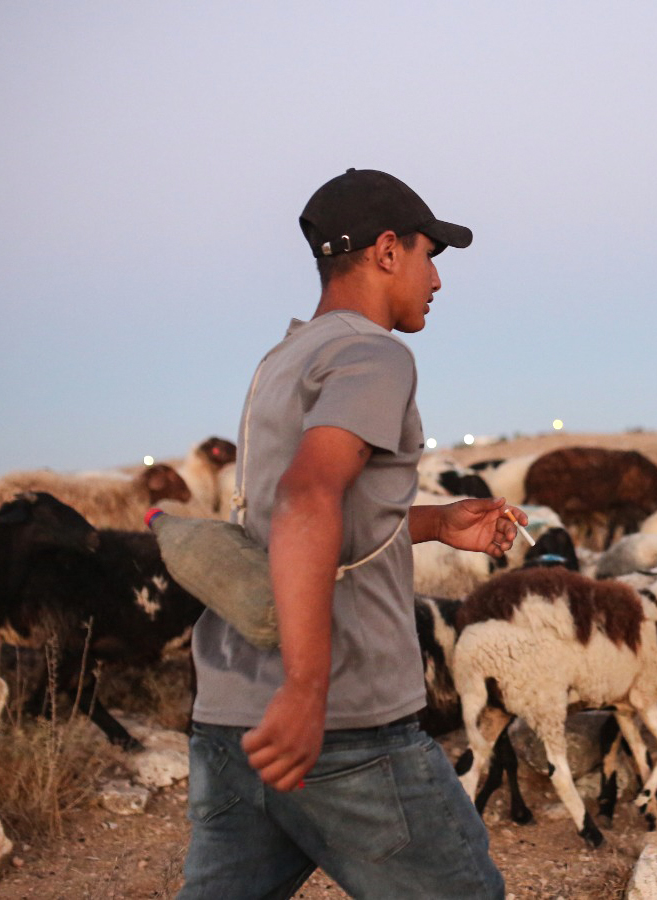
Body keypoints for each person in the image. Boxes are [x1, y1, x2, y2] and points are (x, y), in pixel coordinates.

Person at [178, 168, 513, 899]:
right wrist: (306, 688)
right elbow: (306, 495)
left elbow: (297, 511)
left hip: (232, 718)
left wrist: (429, 523)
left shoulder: (284, 358)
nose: (437, 280)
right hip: (343, 726)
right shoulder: (375, 354)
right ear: (387, 250)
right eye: (431, 256)